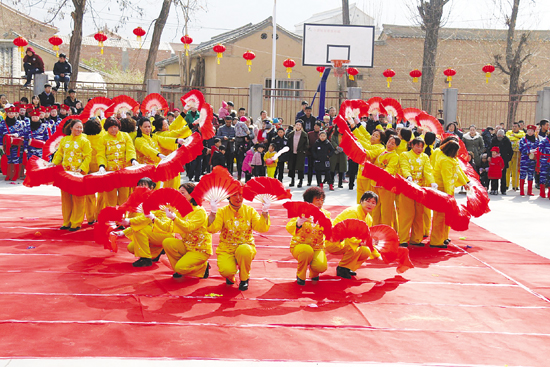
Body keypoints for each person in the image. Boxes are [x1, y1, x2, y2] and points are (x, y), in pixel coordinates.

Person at [207, 189, 271, 291]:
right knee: (226, 271)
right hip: (226, 247)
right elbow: (212, 229)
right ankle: (230, 275)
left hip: (246, 245)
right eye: (234, 195)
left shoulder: (250, 210)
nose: (238, 198)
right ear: (228, 196)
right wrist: (213, 213)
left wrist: (265, 212)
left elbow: (262, 228)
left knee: (244, 250)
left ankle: (244, 278)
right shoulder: (222, 212)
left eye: (240, 195)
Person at [112, 178, 173, 267]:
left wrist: (129, 221)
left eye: (144, 185)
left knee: (140, 231)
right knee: (131, 248)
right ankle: (156, 251)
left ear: (151, 187)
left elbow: (145, 219)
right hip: (153, 230)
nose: (141, 187)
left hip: (164, 231)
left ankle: (145, 259)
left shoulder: (155, 198)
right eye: (139, 185)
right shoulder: (138, 198)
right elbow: (142, 222)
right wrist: (122, 232)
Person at [161, 183, 213, 278]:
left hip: (200, 248)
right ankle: (181, 268)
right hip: (187, 245)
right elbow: (168, 227)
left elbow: (188, 227)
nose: (180, 195)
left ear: (192, 194)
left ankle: (202, 267)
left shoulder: (199, 211)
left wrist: (174, 218)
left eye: (183, 193)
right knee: (167, 242)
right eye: (179, 193)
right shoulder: (180, 209)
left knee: (180, 268)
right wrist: (152, 218)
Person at [325, 191, 380, 279]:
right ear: (361, 201)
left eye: (373, 203)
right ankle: (342, 268)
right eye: (368, 201)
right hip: (333, 241)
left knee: (366, 251)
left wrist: (376, 254)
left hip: (346, 242)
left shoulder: (369, 218)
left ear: (375, 206)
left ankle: (348, 267)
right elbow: (350, 237)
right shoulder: (353, 212)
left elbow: (366, 237)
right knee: (355, 245)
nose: (370, 204)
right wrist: (361, 243)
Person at [51, 119, 92, 231]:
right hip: (65, 172)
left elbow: (88, 156)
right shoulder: (64, 140)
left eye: (81, 127)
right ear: (71, 128)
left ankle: (76, 222)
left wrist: (82, 168)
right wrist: (54, 163)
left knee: (78, 198)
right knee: (66, 197)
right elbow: (60, 153)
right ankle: (66, 221)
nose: (79, 129)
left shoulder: (85, 141)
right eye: (77, 127)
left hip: (78, 173)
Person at [286, 187, 331, 285]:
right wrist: (298, 223)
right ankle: (300, 275)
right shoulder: (300, 211)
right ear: (309, 201)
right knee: (306, 251)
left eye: (322, 200)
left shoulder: (326, 214)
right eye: (317, 200)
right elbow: (289, 227)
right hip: (300, 246)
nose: (320, 203)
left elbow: (330, 231)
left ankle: (314, 271)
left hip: (317, 247)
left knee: (321, 266)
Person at [430, 140, 470, 248]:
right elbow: (446, 179)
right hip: (442, 190)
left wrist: (465, 182)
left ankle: (443, 238)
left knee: (445, 216)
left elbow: (458, 171)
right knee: (439, 216)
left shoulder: (450, 159)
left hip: (447, 189)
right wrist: (449, 197)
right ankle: (436, 241)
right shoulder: (445, 161)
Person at [398, 137, 436, 247]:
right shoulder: (404, 155)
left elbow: (428, 170)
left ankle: (416, 239)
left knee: (419, 215)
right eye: (417, 146)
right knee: (407, 214)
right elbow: (404, 167)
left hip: (420, 189)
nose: (419, 148)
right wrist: (408, 176)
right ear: (412, 145)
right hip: (407, 188)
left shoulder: (425, 157)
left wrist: (432, 182)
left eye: (421, 146)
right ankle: (403, 239)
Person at [97, 117, 138, 207]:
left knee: (124, 196)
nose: (113, 129)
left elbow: (130, 149)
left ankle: (122, 217)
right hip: (110, 171)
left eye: (115, 126)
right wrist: (101, 165)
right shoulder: (103, 138)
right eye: (110, 127)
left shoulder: (125, 136)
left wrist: (133, 160)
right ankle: (111, 217)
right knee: (110, 197)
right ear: (107, 128)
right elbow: (101, 154)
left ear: (119, 127)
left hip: (124, 171)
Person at [134, 118, 184, 188]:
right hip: (146, 169)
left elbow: (164, 140)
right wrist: (158, 154)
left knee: (158, 188)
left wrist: (177, 140)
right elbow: (147, 149)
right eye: (145, 127)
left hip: (157, 167)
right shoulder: (138, 140)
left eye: (149, 126)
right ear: (140, 127)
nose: (148, 129)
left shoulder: (154, 136)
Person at [372, 135, 400, 230]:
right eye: (389, 142)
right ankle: (375, 228)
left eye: (393, 144)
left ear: (396, 146)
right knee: (375, 207)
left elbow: (390, 168)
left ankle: (387, 230)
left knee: (386, 210)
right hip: (375, 183)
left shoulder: (395, 156)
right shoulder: (382, 152)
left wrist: (380, 174)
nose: (390, 145)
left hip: (386, 185)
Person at [0, 106, 29, 181]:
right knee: (9, 159)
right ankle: (9, 175)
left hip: (16, 145)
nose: (11, 114)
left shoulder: (19, 123)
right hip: (6, 144)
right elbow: (0, 134)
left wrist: (16, 135)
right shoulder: (3, 123)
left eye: (12, 113)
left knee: (15, 159)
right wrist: (1, 144)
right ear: (7, 113)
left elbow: (23, 133)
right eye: (9, 113)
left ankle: (15, 175)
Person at [518, 124, 539, 196]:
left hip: (532, 160)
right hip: (524, 160)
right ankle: (521, 191)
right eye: (528, 130)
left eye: (531, 131)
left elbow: (538, 149)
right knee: (522, 175)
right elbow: (520, 148)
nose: (530, 132)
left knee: (530, 175)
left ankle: (529, 191)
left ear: (534, 132)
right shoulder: (523, 139)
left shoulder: (536, 140)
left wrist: (535, 152)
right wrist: (528, 151)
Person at [490, 129, 513, 195]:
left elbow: (510, 151)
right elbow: (490, 149)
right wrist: (490, 156)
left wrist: (508, 159)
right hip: (495, 161)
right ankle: (494, 189)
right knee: (494, 176)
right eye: (498, 135)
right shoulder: (494, 140)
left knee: (503, 176)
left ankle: (503, 190)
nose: (499, 136)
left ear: (503, 135)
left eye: (501, 135)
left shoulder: (507, 140)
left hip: (503, 161)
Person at [287, 121, 308, 187]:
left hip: (300, 153)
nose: (298, 126)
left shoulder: (304, 134)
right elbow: (288, 143)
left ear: (301, 126)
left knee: (300, 168)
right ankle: (292, 181)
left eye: (299, 125)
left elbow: (307, 144)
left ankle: (300, 181)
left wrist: (304, 151)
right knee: (292, 167)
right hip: (292, 153)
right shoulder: (291, 134)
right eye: (297, 124)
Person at [506, 122, 526, 191]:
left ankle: (515, 185)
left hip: (517, 154)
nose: (514, 128)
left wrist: (514, 135)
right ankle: (506, 185)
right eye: (513, 126)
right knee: (508, 170)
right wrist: (517, 138)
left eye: (516, 126)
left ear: (519, 127)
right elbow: (508, 138)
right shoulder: (508, 132)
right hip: (509, 153)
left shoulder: (522, 132)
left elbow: (522, 137)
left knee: (516, 170)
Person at [328, 124, 348, 189]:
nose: (339, 129)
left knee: (341, 169)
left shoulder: (345, 135)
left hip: (342, 153)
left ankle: (340, 183)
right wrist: (336, 147)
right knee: (333, 168)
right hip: (335, 153)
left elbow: (347, 142)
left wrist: (342, 148)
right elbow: (332, 141)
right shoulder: (334, 135)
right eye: (338, 127)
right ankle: (331, 182)